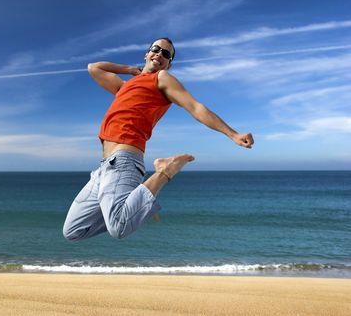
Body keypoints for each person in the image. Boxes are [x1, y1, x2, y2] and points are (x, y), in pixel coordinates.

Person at [62, 37, 254, 241]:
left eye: (166, 54)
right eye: (156, 49)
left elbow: (195, 107)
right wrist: (130, 69)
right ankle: (140, 205)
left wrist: (232, 134)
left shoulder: (161, 78)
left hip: (124, 160)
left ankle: (165, 171)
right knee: (74, 230)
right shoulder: (124, 87)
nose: (160, 55)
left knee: (118, 227)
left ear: (169, 64)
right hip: (103, 169)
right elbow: (94, 68)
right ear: (147, 53)